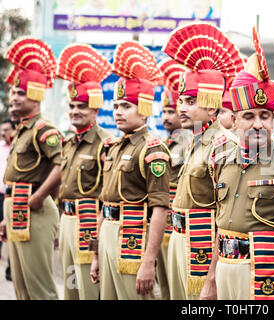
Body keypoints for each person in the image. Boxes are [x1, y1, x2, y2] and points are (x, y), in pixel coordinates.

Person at [201, 27, 274, 300]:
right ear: (234, 120)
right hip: (227, 273)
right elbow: (221, 227)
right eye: (249, 116)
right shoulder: (221, 161)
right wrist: (211, 280)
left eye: (265, 116)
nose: (258, 124)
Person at [163, 23, 244, 299]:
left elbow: (227, 218)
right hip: (179, 240)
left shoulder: (225, 146)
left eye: (190, 101)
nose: (181, 108)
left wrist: (212, 277)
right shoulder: (194, 141)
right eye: (181, 101)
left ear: (211, 105)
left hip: (203, 248)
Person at [89, 41, 171, 300]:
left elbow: (159, 208)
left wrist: (148, 262)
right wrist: (96, 254)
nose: (118, 113)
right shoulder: (112, 147)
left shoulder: (152, 150)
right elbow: (104, 203)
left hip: (132, 238)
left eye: (126, 106)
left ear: (144, 108)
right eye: (115, 107)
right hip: (108, 234)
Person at [0, 37, 61, 300]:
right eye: (13, 93)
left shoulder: (43, 129)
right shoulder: (23, 130)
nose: (14, 98)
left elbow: (62, 164)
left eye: (20, 93)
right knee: (22, 287)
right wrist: (7, 215)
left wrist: (38, 197)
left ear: (36, 96)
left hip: (35, 209)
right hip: (16, 206)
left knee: (39, 289)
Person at [56, 44, 112, 300]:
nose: (75, 111)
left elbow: (108, 193)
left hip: (90, 222)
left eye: (82, 106)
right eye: (72, 106)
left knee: (89, 290)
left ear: (96, 110)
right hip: (67, 221)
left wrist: (99, 237)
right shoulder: (69, 142)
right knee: (70, 288)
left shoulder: (105, 143)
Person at [156, 57, 192, 300]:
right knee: (166, 285)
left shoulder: (189, 141)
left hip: (179, 222)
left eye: (172, 111)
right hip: (163, 221)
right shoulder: (164, 143)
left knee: (177, 286)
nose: (168, 116)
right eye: (165, 111)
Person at [0, 119, 14, 280]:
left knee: (13, 232)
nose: (4, 133)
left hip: (11, 195)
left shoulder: (15, 147)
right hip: (0, 196)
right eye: (2, 130)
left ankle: (12, 270)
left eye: (6, 130)